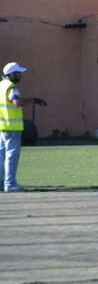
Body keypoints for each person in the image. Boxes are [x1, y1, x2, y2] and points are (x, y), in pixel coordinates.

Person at [1, 62, 47, 193]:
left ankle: (1, 182)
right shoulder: (11, 87)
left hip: (2, 127)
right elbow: (16, 103)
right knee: (12, 156)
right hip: (12, 127)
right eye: (18, 73)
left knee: (1, 155)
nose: (20, 75)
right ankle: (10, 184)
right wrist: (33, 100)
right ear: (12, 74)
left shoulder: (1, 86)